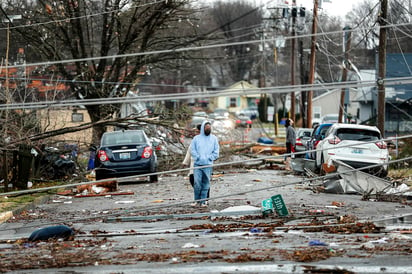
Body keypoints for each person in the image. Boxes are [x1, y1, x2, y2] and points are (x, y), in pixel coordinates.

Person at [190, 120, 219, 207]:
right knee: (197, 183)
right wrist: (197, 157)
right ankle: (196, 200)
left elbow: (216, 151)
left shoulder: (214, 138)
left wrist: (210, 158)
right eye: (206, 127)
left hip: (208, 165)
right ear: (203, 128)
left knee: (206, 183)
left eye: (209, 127)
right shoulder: (196, 139)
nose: (208, 129)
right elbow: (193, 150)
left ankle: (203, 201)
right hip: (198, 164)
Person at [182, 124, 209, 198]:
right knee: (192, 179)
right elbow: (189, 151)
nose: (196, 133)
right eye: (196, 132)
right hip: (193, 165)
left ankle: (205, 199)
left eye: (197, 132)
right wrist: (185, 162)